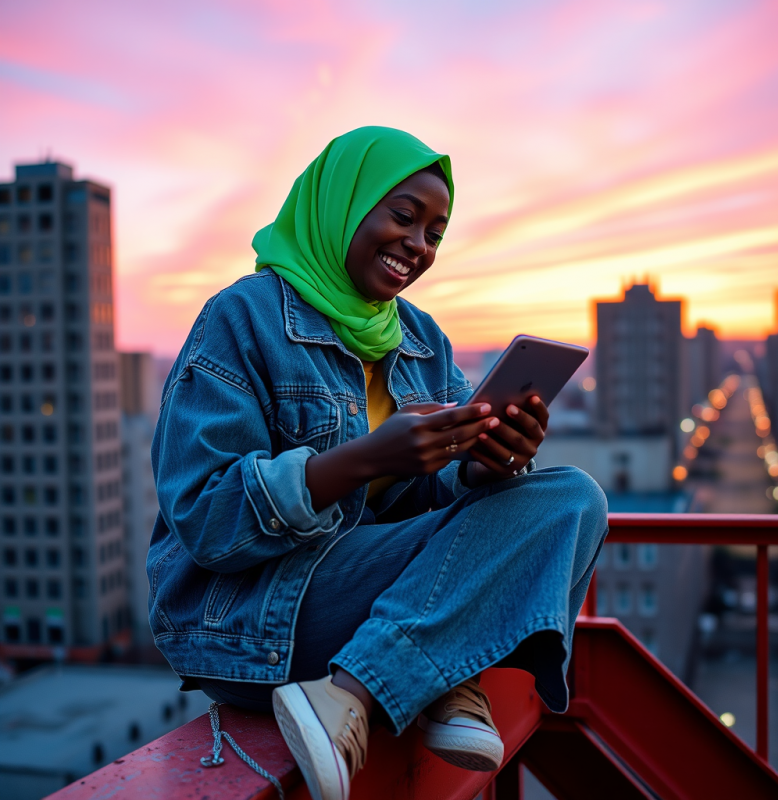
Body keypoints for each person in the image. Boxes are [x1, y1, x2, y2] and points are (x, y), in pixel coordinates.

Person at [148, 126, 608, 800]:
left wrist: (483, 466)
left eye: (434, 234)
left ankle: (408, 676)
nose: (417, 246)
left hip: (367, 603)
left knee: (574, 497)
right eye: (402, 216)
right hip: (254, 620)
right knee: (563, 504)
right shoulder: (240, 319)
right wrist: (359, 462)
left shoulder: (420, 339)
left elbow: (424, 512)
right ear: (341, 203)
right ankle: (374, 689)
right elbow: (205, 519)